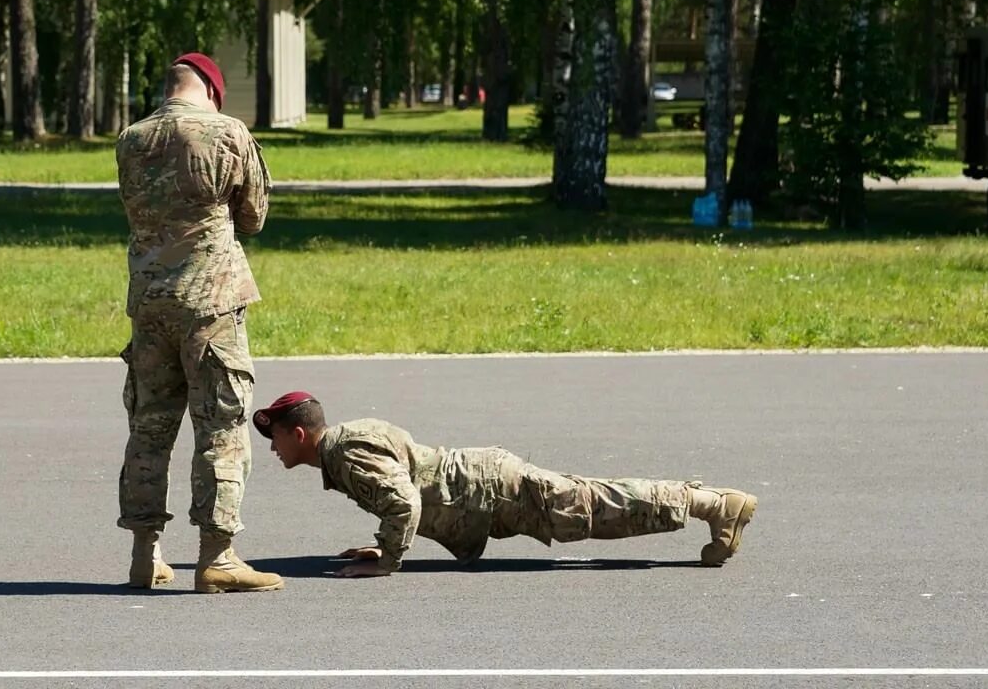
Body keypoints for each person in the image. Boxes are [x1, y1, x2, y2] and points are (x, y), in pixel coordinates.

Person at [252, 391, 757, 577]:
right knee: (594, 507)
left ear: (299, 434)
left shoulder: (344, 451)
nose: (273, 449)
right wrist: (383, 540)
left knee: (595, 509)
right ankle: (711, 505)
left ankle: (712, 505)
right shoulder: (346, 441)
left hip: (491, 491)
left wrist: (387, 558)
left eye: (275, 438)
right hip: (485, 485)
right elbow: (402, 491)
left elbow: (403, 498)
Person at [115, 52, 282, 594]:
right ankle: (218, 556)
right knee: (221, 428)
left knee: (149, 428)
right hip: (210, 305)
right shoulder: (228, 132)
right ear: (213, 89)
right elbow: (254, 217)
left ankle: (146, 556)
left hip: (149, 304)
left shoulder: (131, 138)